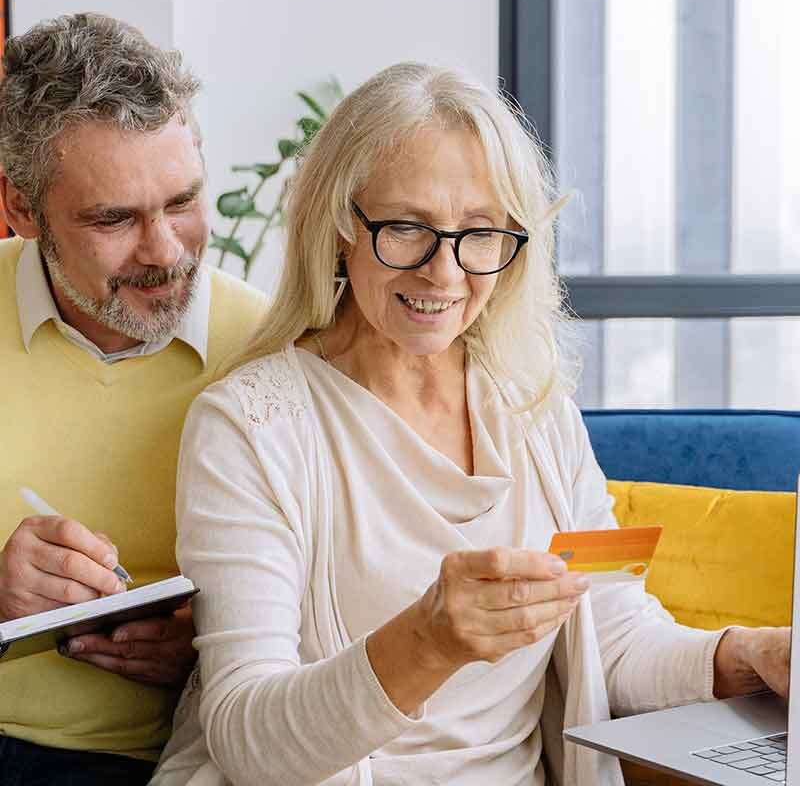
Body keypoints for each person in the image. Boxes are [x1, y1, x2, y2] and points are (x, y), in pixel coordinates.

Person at [151, 62, 789, 786]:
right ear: (338, 227)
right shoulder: (251, 426)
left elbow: (613, 635)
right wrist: (428, 642)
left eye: (480, 234)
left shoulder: (532, 408)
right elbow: (247, 741)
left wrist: (753, 653)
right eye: (406, 229)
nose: (445, 274)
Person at [0, 13, 266, 785]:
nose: (166, 252)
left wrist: (214, 641)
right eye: (114, 218)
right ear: (19, 208)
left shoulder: (277, 348)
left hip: (173, 757)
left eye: (181, 201)